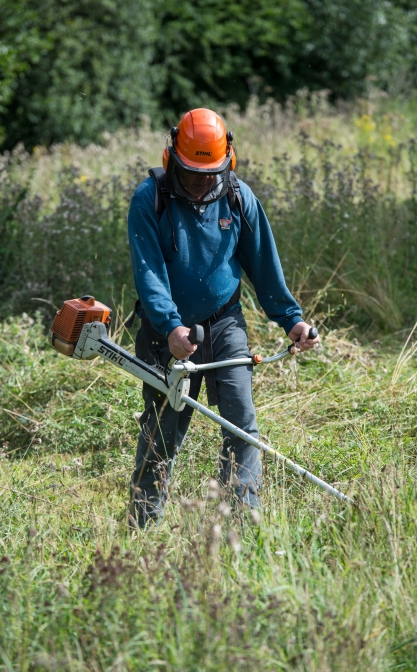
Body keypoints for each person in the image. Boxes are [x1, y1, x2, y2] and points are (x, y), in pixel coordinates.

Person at [127, 108, 319, 528]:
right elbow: (149, 274)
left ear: (227, 161)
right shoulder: (150, 199)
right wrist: (171, 325)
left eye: (209, 172)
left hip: (224, 322)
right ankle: (142, 525)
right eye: (191, 171)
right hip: (166, 334)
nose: (200, 181)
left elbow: (264, 265)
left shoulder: (238, 196)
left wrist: (292, 320)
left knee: (241, 423)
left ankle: (240, 523)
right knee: (162, 428)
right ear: (171, 158)